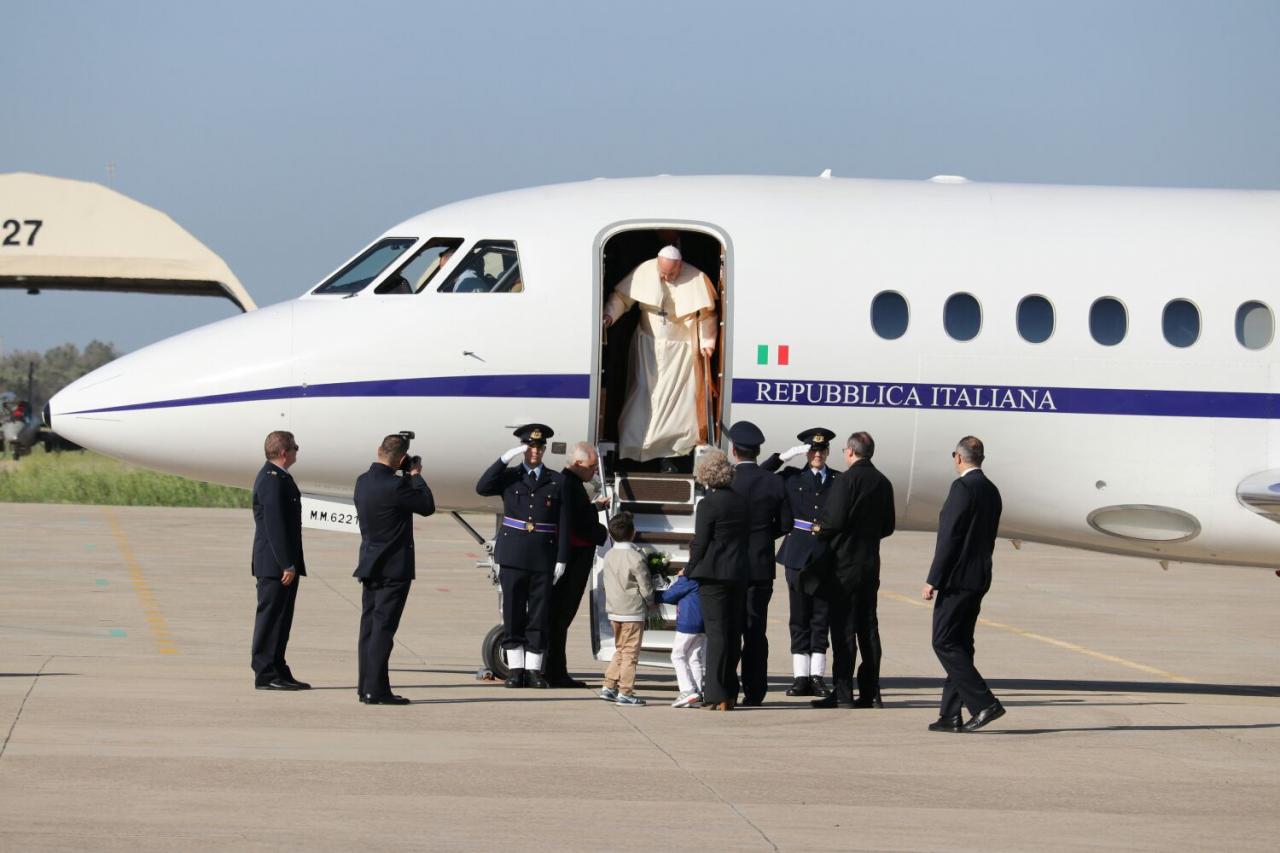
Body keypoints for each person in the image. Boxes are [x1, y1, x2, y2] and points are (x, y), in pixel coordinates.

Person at [602, 245, 718, 468]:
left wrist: (707, 342)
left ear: (680, 266)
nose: (665, 278)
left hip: (682, 351)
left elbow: (707, 314)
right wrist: (609, 315)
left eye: (671, 274)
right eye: (662, 273)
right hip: (647, 346)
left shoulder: (696, 278)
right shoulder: (645, 271)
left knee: (679, 401)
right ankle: (636, 449)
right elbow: (622, 298)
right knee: (644, 393)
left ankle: (673, 452)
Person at [475, 423, 570, 689]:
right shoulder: (510, 477)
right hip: (513, 555)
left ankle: (534, 670)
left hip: (543, 556)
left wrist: (562, 557)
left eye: (539, 447)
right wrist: (504, 459)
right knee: (513, 612)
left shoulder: (556, 481)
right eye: (530, 446)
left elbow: (564, 521)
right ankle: (515, 669)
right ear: (523, 448)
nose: (535, 451)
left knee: (538, 615)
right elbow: (482, 487)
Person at [923, 436, 1006, 733]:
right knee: (960, 643)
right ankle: (950, 713)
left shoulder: (963, 488)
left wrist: (933, 579)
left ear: (958, 457)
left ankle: (984, 703)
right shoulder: (991, 490)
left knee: (943, 641)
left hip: (957, 579)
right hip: (979, 576)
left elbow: (951, 536)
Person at [811, 431, 896, 709]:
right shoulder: (883, 482)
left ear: (850, 452)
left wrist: (819, 529)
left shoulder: (846, 481)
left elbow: (833, 521)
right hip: (869, 564)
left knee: (843, 629)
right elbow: (888, 526)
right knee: (868, 627)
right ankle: (871, 691)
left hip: (843, 565)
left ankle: (843, 691)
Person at [353, 434, 436, 705]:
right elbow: (427, 505)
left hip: (369, 562)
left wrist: (404, 475)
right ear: (401, 459)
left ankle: (366, 686)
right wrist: (415, 475)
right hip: (394, 568)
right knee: (383, 630)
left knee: (369, 627)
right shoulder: (397, 486)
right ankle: (376, 690)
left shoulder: (362, 481)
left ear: (379, 450)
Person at [762, 427, 839, 697]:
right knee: (799, 616)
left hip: (826, 555)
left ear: (828, 452)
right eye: (812, 450)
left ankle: (817, 675)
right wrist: (784, 457)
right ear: (806, 453)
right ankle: (800, 676)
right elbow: (761, 475)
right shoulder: (792, 477)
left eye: (821, 450)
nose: (817, 455)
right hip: (797, 554)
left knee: (821, 617)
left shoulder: (838, 480)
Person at [726, 420, 792, 706]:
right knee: (755, 631)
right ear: (758, 450)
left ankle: (726, 688)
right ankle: (755, 691)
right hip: (761, 567)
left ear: (734, 450)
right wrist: (764, 535)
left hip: (729, 567)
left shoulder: (728, 479)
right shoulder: (775, 482)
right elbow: (786, 524)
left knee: (729, 629)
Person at [685, 449, 749, 711]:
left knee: (716, 634)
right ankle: (731, 691)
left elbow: (701, 542)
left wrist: (689, 568)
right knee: (733, 633)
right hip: (739, 573)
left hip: (713, 575)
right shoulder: (741, 501)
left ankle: (715, 692)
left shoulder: (708, 504)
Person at [544, 442, 609, 688]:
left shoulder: (570, 483)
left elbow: (577, 514)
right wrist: (602, 532)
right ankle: (555, 672)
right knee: (561, 617)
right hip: (573, 561)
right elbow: (576, 524)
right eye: (592, 467)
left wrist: (594, 507)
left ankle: (553, 669)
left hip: (572, 557)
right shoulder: (569, 485)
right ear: (578, 464)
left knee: (558, 618)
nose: (594, 471)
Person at [250, 430, 308, 691]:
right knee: (271, 619)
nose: (297, 451)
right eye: (295, 447)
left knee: (282, 620)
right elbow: (274, 526)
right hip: (276, 566)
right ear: (284, 452)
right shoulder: (272, 480)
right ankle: (265, 673)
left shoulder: (279, 477)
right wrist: (286, 563)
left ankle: (278, 668)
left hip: (282, 564)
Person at [598, 512, 656, 706]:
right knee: (630, 653)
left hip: (614, 609)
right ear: (633, 532)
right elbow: (645, 585)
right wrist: (651, 601)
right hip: (632, 610)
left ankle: (609, 685)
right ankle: (625, 691)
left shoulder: (609, 555)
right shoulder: (636, 557)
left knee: (621, 649)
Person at [659, 569, 705, 708]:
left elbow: (669, 596)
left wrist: (681, 577)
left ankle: (687, 690)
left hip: (688, 622)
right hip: (702, 623)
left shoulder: (688, 579)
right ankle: (698, 693)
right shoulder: (704, 576)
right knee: (693, 658)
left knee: (677, 656)